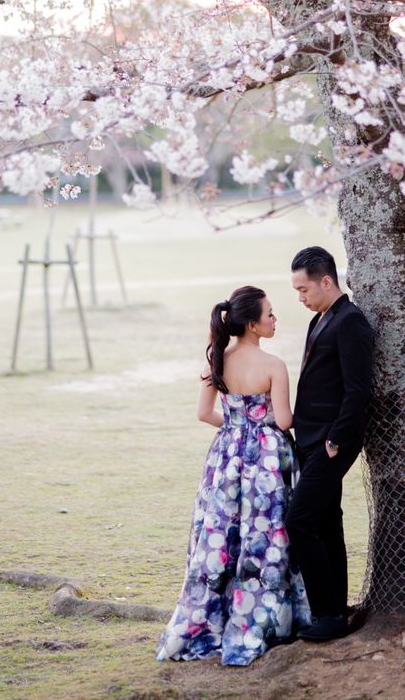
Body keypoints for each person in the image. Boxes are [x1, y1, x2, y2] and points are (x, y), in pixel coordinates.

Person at [156, 285, 311, 666]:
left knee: (222, 534)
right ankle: (262, 618)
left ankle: (210, 620)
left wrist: (236, 427)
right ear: (254, 325)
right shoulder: (273, 365)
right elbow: (286, 420)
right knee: (264, 533)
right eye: (270, 314)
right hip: (267, 460)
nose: (275, 319)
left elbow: (204, 413)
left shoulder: (217, 361)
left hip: (226, 456)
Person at [286, 246, 374, 642]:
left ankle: (326, 613)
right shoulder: (320, 319)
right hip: (309, 438)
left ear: (326, 281)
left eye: (304, 289)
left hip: (331, 442)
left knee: (299, 520)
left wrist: (337, 439)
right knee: (325, 522)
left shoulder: (351, 322)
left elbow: (358, 390)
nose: (300, 298)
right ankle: (336, 612)